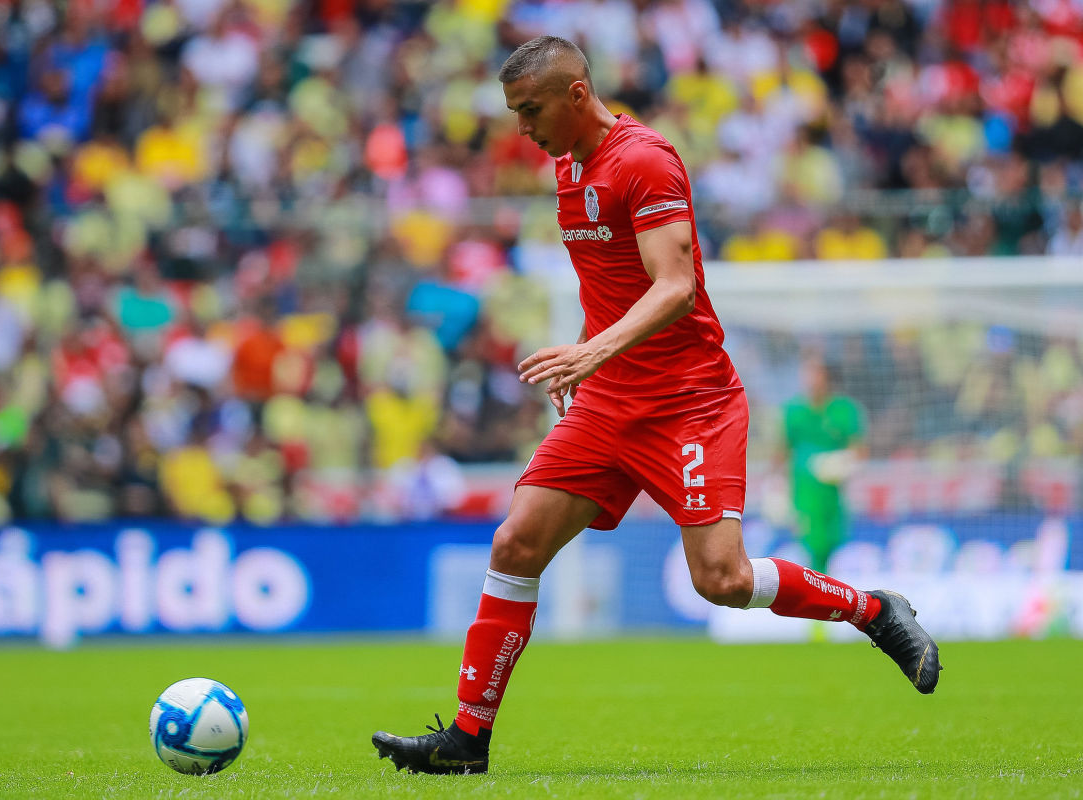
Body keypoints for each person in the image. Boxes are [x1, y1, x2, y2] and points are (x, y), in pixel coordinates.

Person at [371, 36, 941, 776]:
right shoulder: (564, 164)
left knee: (723, 580)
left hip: (688, 403)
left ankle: (874, 610)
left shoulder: (643, 159)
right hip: (609, 400)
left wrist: (589, 352)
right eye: (514, 113)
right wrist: (585, 353)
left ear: (577, 95)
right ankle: (468, 741)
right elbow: (610, 280)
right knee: (515, 544)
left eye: (531, 109)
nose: (522, 128)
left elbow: (674, 288)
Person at [782, 356, 867, 574]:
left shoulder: (844, 410)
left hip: (833, 492)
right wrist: (774, 483)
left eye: (816, 373)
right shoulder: (793, 410)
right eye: (807, 373)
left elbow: (858, 449)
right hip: (803, 491)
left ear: (827, 377)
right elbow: (782, 449)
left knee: (833, 543)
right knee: (811, 544)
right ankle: (815, 592)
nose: (810, 379)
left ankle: (828, 590)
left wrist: (840, 464)